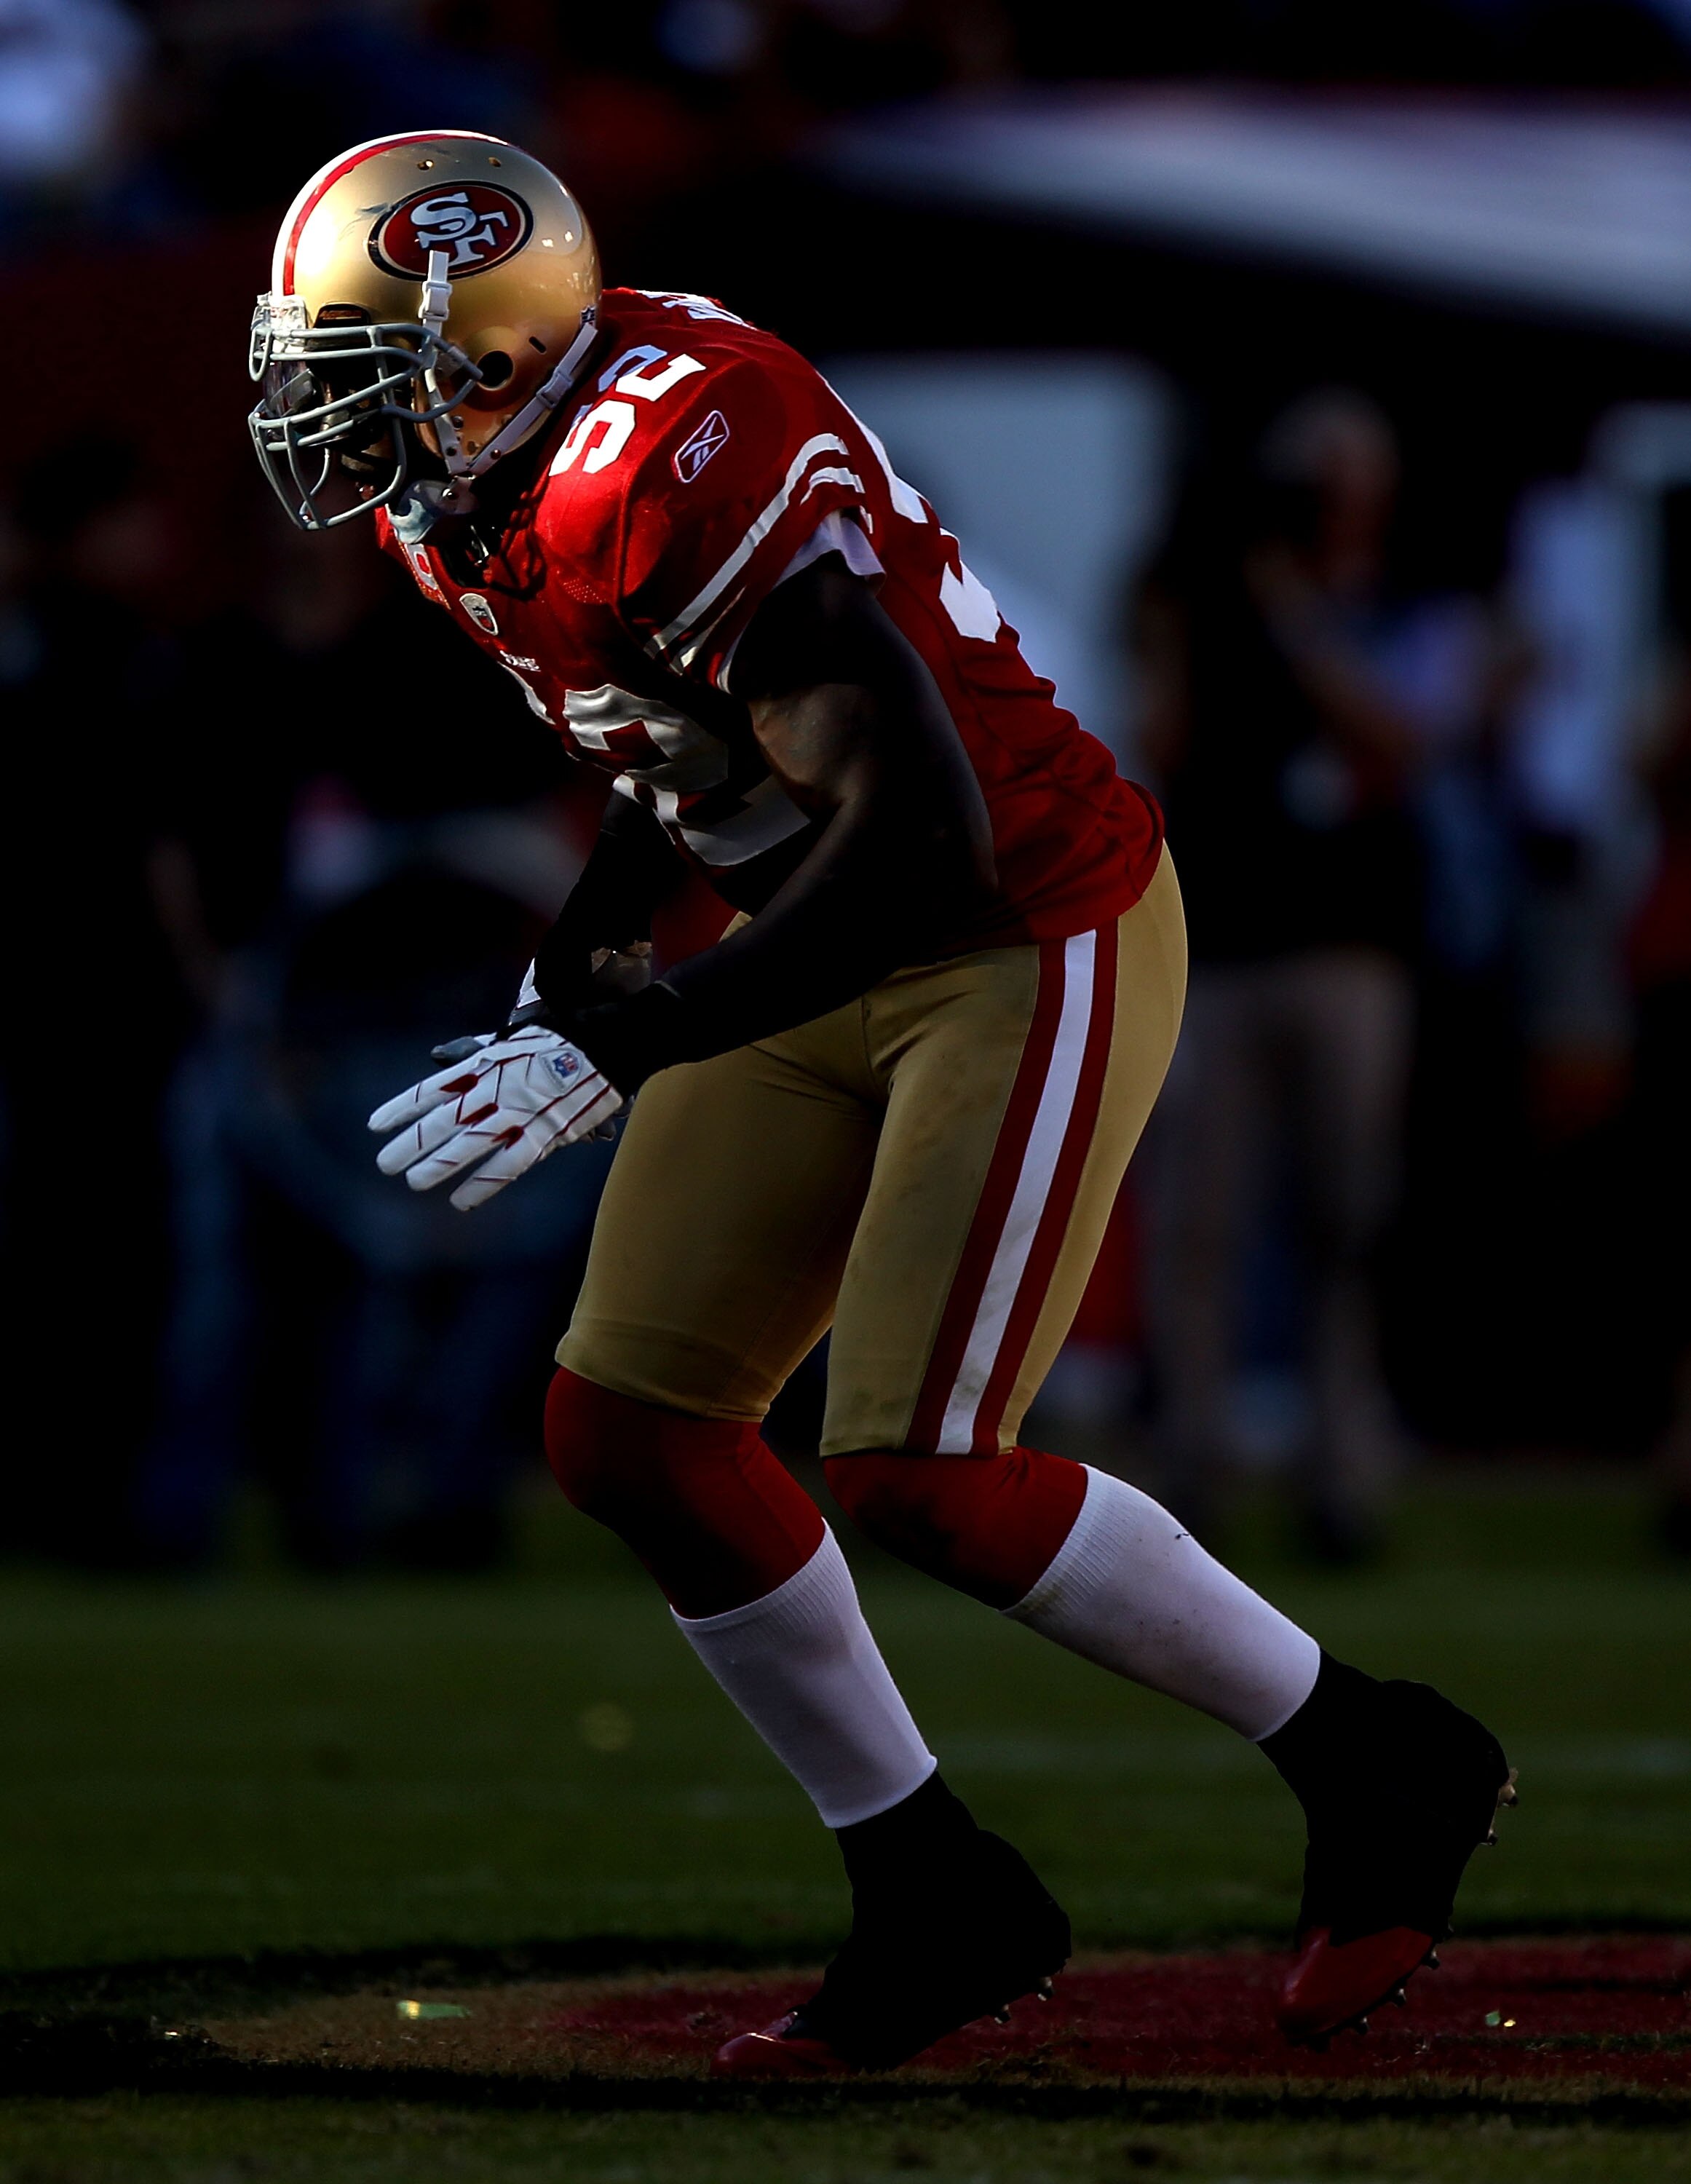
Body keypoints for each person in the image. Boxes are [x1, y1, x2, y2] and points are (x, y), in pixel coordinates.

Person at [248, 130, 1514, 2073]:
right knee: (632, 1430)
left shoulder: (666, 458)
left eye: (360, 361)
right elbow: (676, 728)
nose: (320, 409)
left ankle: (1376, 1753)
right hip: (812, 925)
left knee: (923, 1464)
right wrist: (598, 941)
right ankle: (932, 1887)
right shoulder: (472, 491)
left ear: (489, 354)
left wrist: (633, 1038)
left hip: (1013, 919)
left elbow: (920, 832)